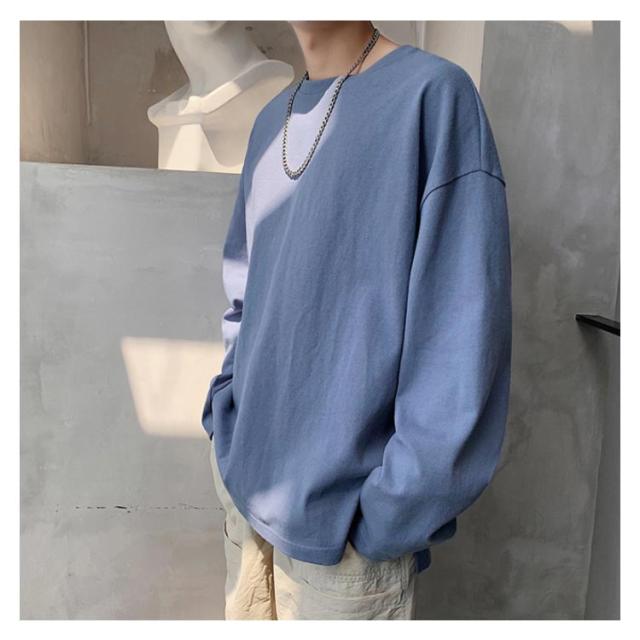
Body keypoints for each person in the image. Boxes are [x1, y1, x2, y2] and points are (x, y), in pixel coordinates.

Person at [201, 20, 512, 620]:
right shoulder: (269, 122)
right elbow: (244, 295)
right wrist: (225, 418)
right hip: (245, 503)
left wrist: (386, 517)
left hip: (345, 541)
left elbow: (462, 334)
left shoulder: (434, 97)